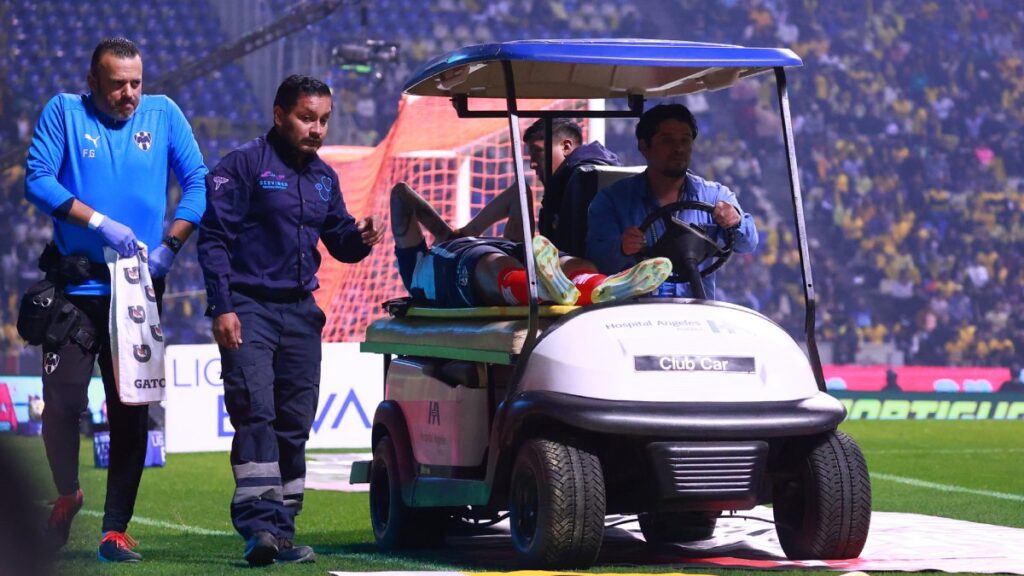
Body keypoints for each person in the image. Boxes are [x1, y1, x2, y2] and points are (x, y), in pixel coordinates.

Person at [23, 38, 207, 562]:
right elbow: (37, 180)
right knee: (62, 401)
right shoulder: (63, 111)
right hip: (76, 291)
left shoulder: (164, 114)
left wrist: (170, 246)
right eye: (117, 84)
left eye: (136, 83)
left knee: (132, 409)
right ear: (93, 82)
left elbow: (196, 181)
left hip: (138, 290)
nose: (129, 94)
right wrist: (99, 222)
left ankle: (115, 531)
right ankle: (68, 492)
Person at [197, 74, 383, 567]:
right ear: (279, 114)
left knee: (294, 424)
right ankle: (259, 526)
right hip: (249, 309)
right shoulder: (242, 166)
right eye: (307, 117)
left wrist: (362, 238)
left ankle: (282, 530)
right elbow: (213, 239)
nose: (316, 128)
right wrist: (223, 306)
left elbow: (339, 242)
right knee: (255, 411)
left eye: (323, 119)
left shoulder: (325, 178)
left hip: (302, 313)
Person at [391, 183, 671, 308]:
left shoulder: (444, 250)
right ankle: (589, 286)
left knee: (571, 264)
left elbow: (520, 192)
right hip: (463, 266)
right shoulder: (414, 270)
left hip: (502, 251)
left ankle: (598, 287)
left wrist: (465, 230)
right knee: (495, 266)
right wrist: (448, 234)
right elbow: (400, 194)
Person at [586, 104, 758, 299]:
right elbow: (595, 259)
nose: (679, 149)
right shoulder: (612, 201)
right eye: (667, 141)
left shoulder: (715, 195)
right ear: (644, 146)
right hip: (633, 316)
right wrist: (621, 247)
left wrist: (736, 222)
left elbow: (748, 243)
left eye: (685, 140)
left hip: (695, 314)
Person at [525, 118, 621, 253]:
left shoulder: (583, 182)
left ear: (566, 147)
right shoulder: (562, 187)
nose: (532, 164)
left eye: (537, 151)